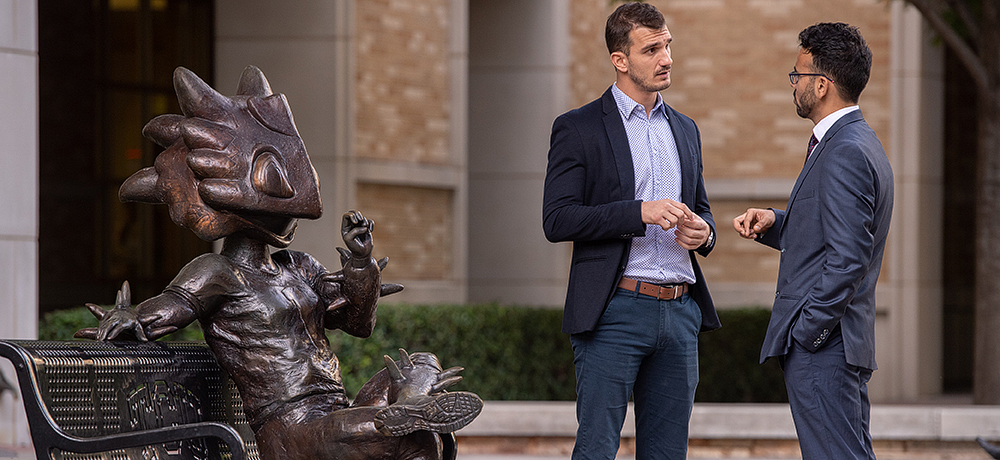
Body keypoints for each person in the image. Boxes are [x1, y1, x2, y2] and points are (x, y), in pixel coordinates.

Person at [542, 3, 719, 459]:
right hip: (613, 311)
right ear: (620, 60)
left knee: (667, 454)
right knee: (597, 449)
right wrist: (638, 212)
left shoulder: (685, 129)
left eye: (668, 46)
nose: (666, 59)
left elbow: (701, 210)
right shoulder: (578, 128)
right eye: (652, 49)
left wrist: (705, 233)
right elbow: (557, 219)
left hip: (680, 313)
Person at [732, 23, 893, 460]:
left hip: (827, 349)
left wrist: (809, 334)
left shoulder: (845, 151)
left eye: (797, 76)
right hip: (836, 347)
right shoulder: (857, 143)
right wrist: (775, 222)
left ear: (821, 85)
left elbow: (848, 260)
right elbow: (832, 238)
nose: (793, 84)